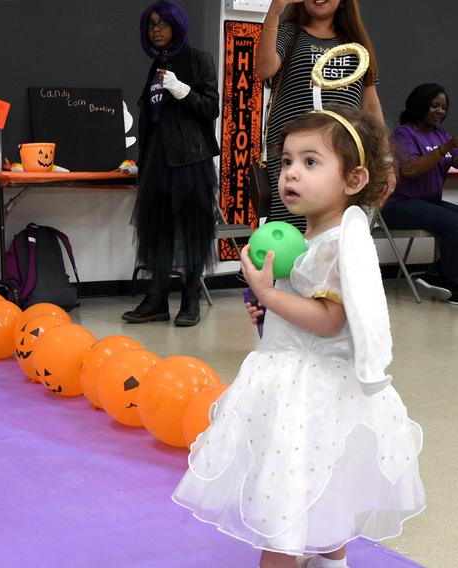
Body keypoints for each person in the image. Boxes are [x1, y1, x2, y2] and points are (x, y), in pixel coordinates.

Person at [173, 106, 425, 568]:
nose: (291, 173)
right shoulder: (305, 237)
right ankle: (331, 559)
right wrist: (269, 308)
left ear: (352, 180)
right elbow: (302, 308)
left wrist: (269, 293)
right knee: (318, 483)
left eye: (311, 162)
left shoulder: (339, 243)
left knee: (286, 493)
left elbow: (329, 319)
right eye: (286, 161)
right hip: (293, 373)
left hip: (312, 389)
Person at [121, 1, 220, 328]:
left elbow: (210, 107)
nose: (156, 30)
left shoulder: (197, 59)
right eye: (151, 25)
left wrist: (181, 89)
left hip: (191, 161)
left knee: (192, 231)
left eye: (163, 24)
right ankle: (156, 300)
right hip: (158, 162)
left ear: (177, 26)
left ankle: (190, 300)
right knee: (158, 230)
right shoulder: (156, 66)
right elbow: (152, 117)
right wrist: (141, 160)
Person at [255, 0, 389, 231]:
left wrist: (385, 162)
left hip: (342, 154)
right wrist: (276, 9)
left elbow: (371, 106)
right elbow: (264, 69)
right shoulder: (290, 33)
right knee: (290, 223)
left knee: (335, 228)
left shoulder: (356, 44)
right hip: (297, 152)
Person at [383, 83, 458, 304]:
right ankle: (446, 280)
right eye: (434, 106)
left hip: (429, 204)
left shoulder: (441, 134)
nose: (440, 112)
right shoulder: (404, 134)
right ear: (420, 105)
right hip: (399, 206)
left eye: (443, 108)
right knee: (453, 222)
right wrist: (444, 148)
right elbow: (410, 169)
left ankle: (436, 272)